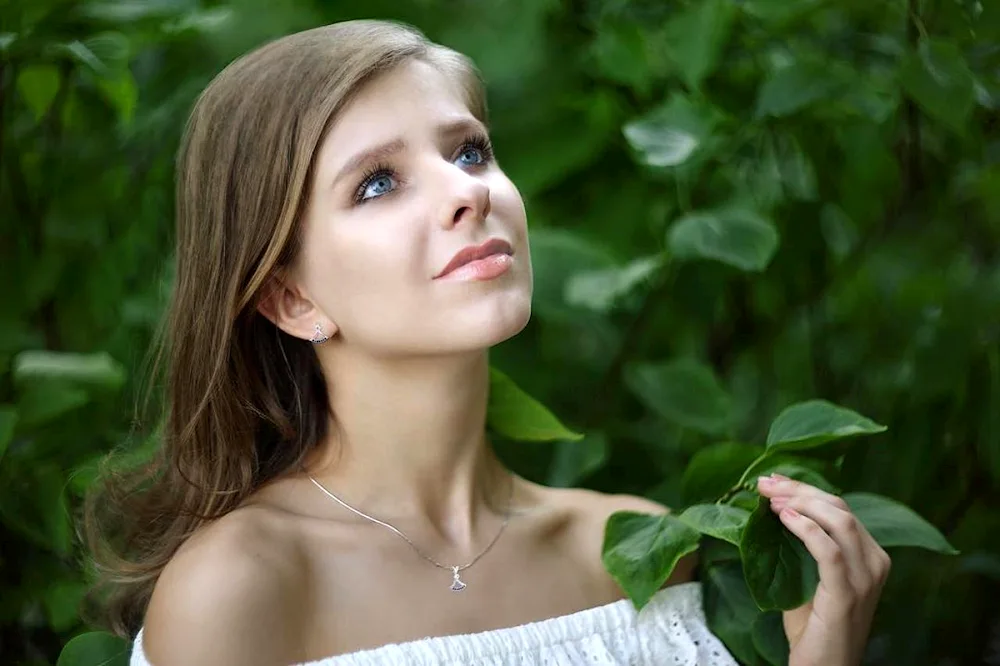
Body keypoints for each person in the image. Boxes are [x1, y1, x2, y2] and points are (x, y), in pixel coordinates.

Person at [81, 19, 890, 666]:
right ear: (292, 299)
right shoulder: (241, 587)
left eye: (468, 150)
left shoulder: (632, 552)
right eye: (377, 183)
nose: (468, 191)